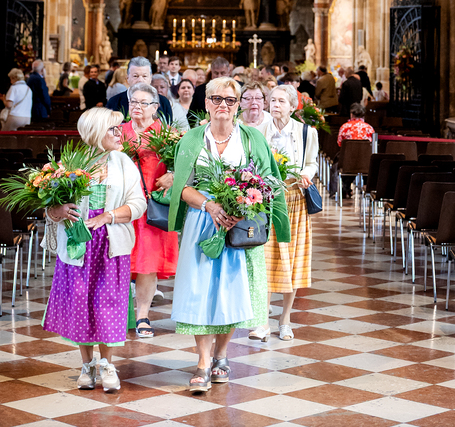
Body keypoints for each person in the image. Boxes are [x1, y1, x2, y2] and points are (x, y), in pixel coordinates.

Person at [168, 77, 289, 392]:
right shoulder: (191, 139)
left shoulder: (252, 139)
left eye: (230, 100)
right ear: (206, 103)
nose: (223, 105)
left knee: (233, 292)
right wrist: (208, 204)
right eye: (217, 99)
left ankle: (221, 356)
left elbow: (269, 182)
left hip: (239, 226)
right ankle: (202, 362)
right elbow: (181, 187)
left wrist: (245, 206)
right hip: (201, 222)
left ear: (238, 106)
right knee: (199, 291)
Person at [42, 107, 146, 392]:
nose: (119, 133)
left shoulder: (123, 162)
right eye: (113, 129)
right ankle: (87, 365)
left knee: (108, 303)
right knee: (81, 302)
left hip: (110, 245)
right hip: (79, 245)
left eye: (119, 128)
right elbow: (49, 210)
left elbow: (139, 204)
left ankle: (107, 364)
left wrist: (107, 217)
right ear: (96, 132)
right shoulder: (69, 165)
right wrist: (58, 210)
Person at [251, 84, 319, 342]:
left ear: (293, 106)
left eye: (281, 101)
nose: (275, 105)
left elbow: (311, 163)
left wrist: (306, 174)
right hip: (268, 200)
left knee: (292, 261)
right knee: (266, 260)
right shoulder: (259, 130)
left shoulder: (306, 132)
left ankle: (285, 320)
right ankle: (262, 322)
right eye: (273, 100)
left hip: (295, 199)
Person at [122, 83, 179, 337]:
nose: (137, 107)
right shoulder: (117, 131)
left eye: (143, 103)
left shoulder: (167, 134)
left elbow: (186, 167)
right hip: (122, 206)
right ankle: (118, 314)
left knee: (147, 263)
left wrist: (172, 175)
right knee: (119, 260)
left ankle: (142, 315)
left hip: (151, 208)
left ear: (155, 107)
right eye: (133, 102)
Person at [106, 56, 173, 122]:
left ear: (150, 78)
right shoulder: (114, 102)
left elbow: (169, 127)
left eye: (144, 76)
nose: (140, 80)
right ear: (127, 78)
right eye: (135, 76)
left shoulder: (163, 102)